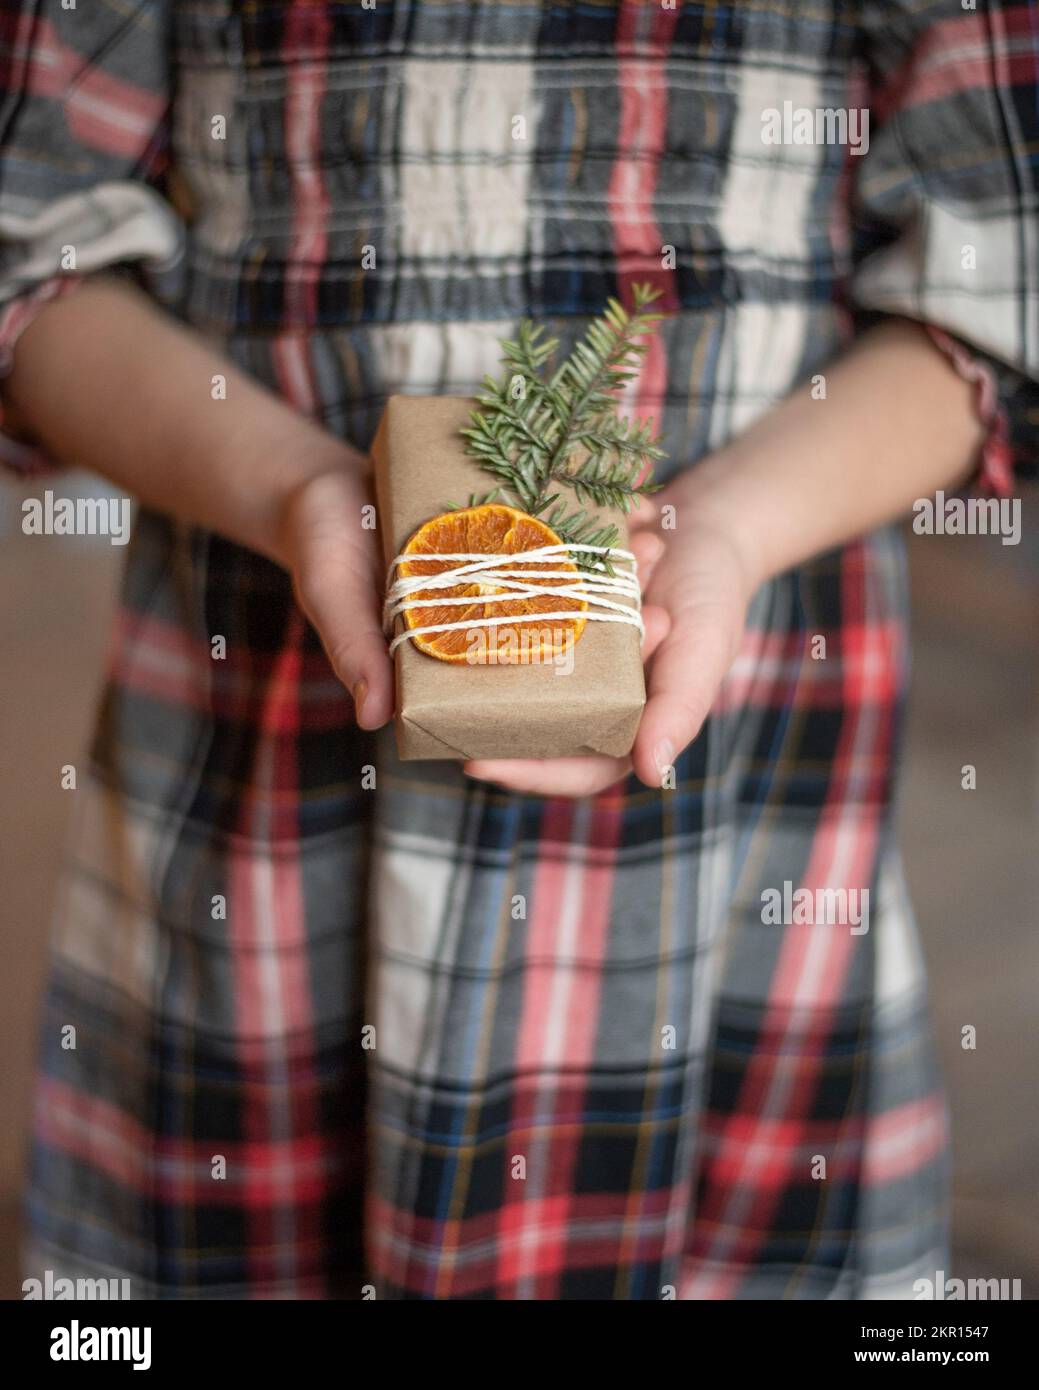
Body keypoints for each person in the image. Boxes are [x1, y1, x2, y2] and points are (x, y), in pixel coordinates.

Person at [1, 0, 1034, 1299]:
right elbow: (29, 251)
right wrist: (293, 491)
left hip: (741, 775)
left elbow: (1001, 279)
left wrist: (723, 528)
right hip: (261, 773)